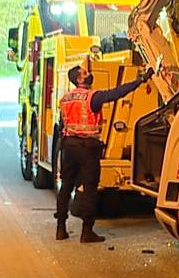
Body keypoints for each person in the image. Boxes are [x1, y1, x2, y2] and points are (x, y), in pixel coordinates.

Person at [56, 64, 154, 242]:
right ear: (79, 79)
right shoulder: (92, 97)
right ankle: (87, 232)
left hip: (69, 146)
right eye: (85, 73)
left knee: (66, 186)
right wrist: (141, 80)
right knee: (90, 188)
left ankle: (61, 228)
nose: (89, 74)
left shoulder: (65, 99)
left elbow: (64, 125)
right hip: (88, 148)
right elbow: (117, 93)